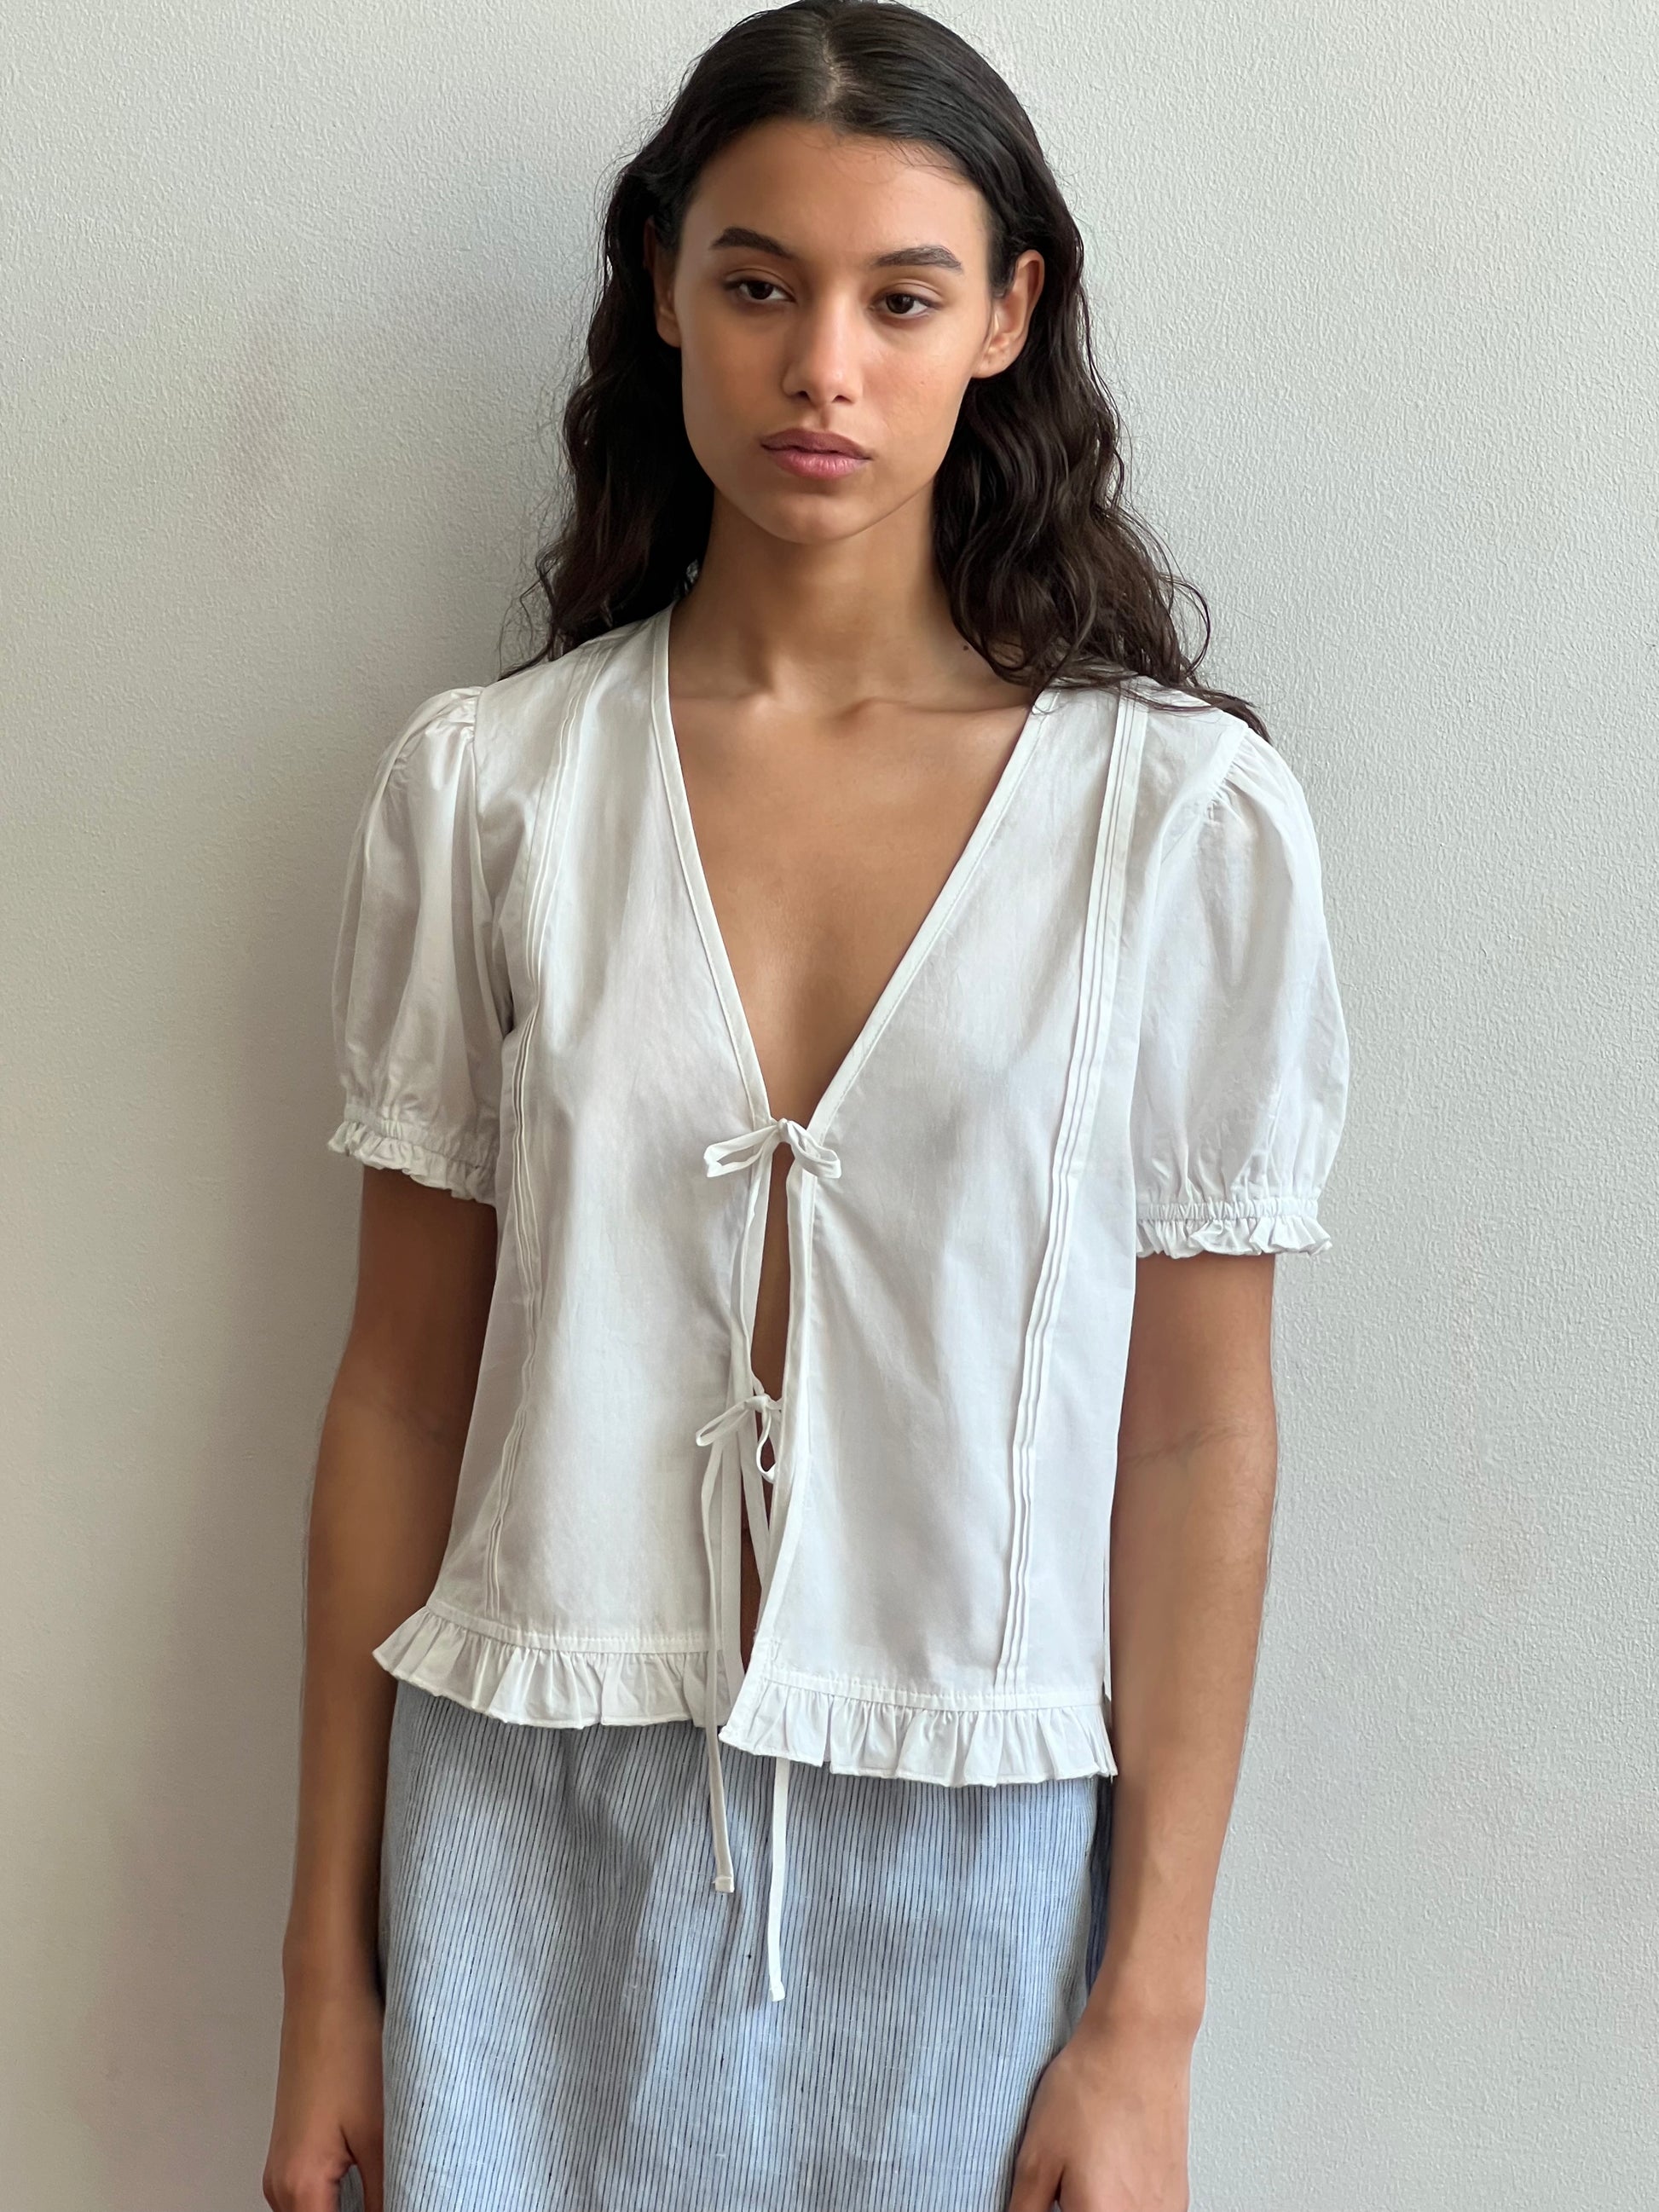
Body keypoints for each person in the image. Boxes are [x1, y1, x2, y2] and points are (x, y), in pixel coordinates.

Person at [263, 4, 1350, 2209]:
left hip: (981, 1854)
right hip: (521, 1839)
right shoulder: (489, 794)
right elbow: (393, 1390)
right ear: (662, 280)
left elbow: (1198, 1431)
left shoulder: (1178, 824)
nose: (820, 367)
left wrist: (1143, 2020)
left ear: (1006, 317)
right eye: (757, 283)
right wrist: (326, 1979)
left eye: (899, 296)